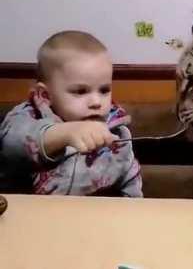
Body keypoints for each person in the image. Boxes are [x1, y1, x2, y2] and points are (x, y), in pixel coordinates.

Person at [0, 30, 142, 197]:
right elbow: (12, 144)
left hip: (93, 217)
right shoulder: (27, 116)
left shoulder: (117, 132)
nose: (96, 102)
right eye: (80, 91)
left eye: (104, 90)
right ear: (46, 95)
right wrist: (65, 133)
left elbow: (129, 178)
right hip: (29, 215)